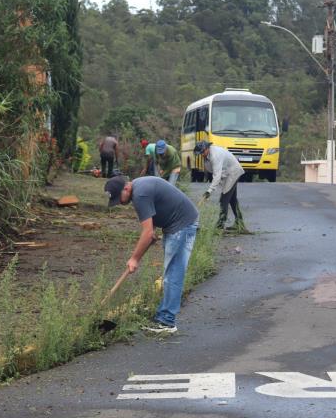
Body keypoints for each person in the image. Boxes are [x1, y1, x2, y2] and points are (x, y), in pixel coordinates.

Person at [104, 175, 199, 334]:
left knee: (173, 274)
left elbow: (147, 232)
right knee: (170, 273)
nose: (119, 203)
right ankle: (163, 315)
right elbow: (151, 230)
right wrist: (149, 237)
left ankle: (167, 323)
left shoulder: (140, 194)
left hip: (182, 225)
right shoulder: (139, 188)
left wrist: (135, 258)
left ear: (126, 188)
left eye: (118, 198)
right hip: (177, 224)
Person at [195, 141, 246, 231]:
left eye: (202, 152)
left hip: (233, 172)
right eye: (200, 153)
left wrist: (209, 191)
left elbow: (217, 176)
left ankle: (220, 225)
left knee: (224, 199)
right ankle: (240, 223)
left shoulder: (215, 155)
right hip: (227, 173)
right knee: (232, 200)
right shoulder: (207, 155)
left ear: (207, 148)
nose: (202, 154)